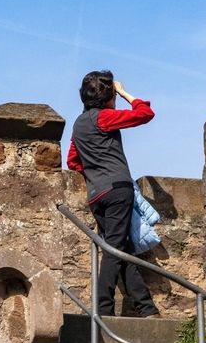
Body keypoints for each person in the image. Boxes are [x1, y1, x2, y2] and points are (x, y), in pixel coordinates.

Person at [67, 70, 159, 318]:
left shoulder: (79, 124)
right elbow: (145, 113)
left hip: (96, 194)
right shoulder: (103, 118)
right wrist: (124, 91)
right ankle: (103, 310)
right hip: (117, 189)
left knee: (120, 249)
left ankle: (146, 308)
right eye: (113, 95)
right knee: (114, 252)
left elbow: (73, 161)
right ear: (108, 96)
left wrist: (95, 170)